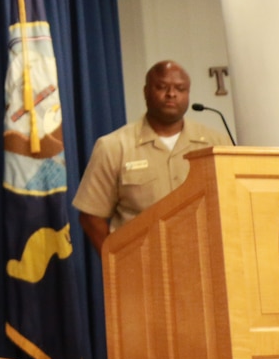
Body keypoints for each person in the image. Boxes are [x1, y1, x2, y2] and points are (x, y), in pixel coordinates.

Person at [72, 60, 231, 249]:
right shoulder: (113, 146)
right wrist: (119, 262)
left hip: (208, 261)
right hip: (144, 267)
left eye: (180, 89)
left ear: (188, 94)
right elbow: (91, 217)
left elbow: (233, 203)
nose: (171, 94)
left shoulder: (217, 143)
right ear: (146, 92)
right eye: (162, 87)